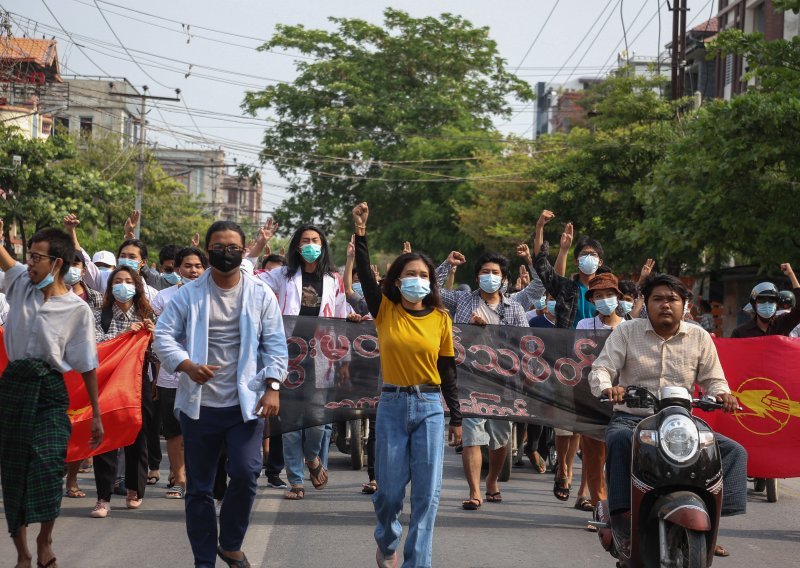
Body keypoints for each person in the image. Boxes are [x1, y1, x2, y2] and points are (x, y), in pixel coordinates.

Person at [154, 220, 288, 568]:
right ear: (207, 250)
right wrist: (185, 365)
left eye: (232, 247)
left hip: (245, 405)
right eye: (218, 246)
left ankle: (230, 544)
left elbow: (275, 345)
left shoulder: (260, 294)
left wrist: (273, 386)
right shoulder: (188, 294)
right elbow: (163, 336)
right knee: (199, 489)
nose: (225, 253)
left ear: (243, 251)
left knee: (245, 473)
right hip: (200, 407)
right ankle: (204, 561)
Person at [589, 273, 746, 557]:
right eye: (658, 299)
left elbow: (714, 380)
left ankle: (710, 526)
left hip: (679, 423)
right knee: (620, 439)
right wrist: (608, 388)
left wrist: (723, 394)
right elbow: (601, 369)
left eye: (672, 299)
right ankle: (622, 518)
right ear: (645, 303)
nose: (665, 305)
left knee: (733, 451)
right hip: (633, 418)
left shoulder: (699, 336)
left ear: (684, 304)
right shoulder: (625, 332)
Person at [351, 202, 462, 568]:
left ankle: (418, 563)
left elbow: (448, 371)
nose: (418, 279)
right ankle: (386, 540)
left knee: (428, 496)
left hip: (430, 407)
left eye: (424, 274)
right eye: (411, 273)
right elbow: (367, 278)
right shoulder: (386, 310)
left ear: (431, 281)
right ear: (398, 280)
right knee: (389, 495)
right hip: (393, 406)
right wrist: (361, 233)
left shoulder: (441, 319)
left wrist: (457, 417)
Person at [0, 222, 103, 568]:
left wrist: (97, 416)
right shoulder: (18, 284)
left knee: (47, 466)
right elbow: (5, 260)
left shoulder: (77, 309)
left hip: (49, 393)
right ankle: (23, 554)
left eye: (37, 258)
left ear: (57, 263)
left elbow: (88, 364)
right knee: (14, 470)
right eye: (28, 256)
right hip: (14, 387)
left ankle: (45, 539)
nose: (29, 263)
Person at [259, 223, 349, 500]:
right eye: (305, 240)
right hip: (288, 355)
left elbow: (342, 316)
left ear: (323, 246)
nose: (311, 245)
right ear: (297, 246)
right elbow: (248, 277)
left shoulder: (334, 278)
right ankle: (295, 481)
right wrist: (257, 245)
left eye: (316, 240)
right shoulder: (283, 275)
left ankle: (312, 457)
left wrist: (344, 356)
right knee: (289, 421)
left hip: (321, 355)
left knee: (317, 420)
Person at [434, 251, 530, 510]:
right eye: (485, 272)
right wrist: (447, 264)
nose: (490, 277)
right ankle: (474, 491)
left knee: (499, 440)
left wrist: (489, 329)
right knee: (472, 436)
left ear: (503, 278)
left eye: (495, 273)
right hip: (468, 380)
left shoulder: (515, 308)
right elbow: (432, 289)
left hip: (502, 382)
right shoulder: (464, 301)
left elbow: (523, 344)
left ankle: (492, 480)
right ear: (477, 276)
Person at [532, 209, 606, 505]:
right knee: (566, 423)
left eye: (593, 254)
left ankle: (585, 492)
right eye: (584, 253)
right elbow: (542, 266)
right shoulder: (567, 289)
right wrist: (541, 228)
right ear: (578, 260)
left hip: (601, 368)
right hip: (568, 365)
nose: (589, 258)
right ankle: (562, 467)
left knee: (591, 429)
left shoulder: (608, 290)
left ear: (600, 260)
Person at [89, 265, 157, 518]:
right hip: (107, 383)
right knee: (104, 438)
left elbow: (160, 354)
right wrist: (122, 337)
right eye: (117, 281)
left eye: (128, 281)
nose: (123, 285)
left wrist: (153, 337)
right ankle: (102, 498)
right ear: (109, 286)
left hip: (138, 384)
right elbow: (94, 348)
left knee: (138, 436)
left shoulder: (149, 314)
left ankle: (134, 489)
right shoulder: (99, 316)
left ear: (137, 286)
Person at [151, 247, 209, 500]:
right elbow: (154, 334)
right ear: (177, 269)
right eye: (187, 266)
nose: (193, 271)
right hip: (170, 376)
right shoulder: (163, 298)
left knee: (198, 430)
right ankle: (179, 478)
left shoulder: (211, 296)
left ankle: (197, 476)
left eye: (198, 266)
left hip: (203, 375)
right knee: (174, 431)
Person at [731, 264, 800, 338]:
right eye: (762, 300)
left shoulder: (783, 323)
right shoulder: (740, 333)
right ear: (754, 305)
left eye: (771, 301)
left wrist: (791, 274)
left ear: (777, 304)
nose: (767, 304)